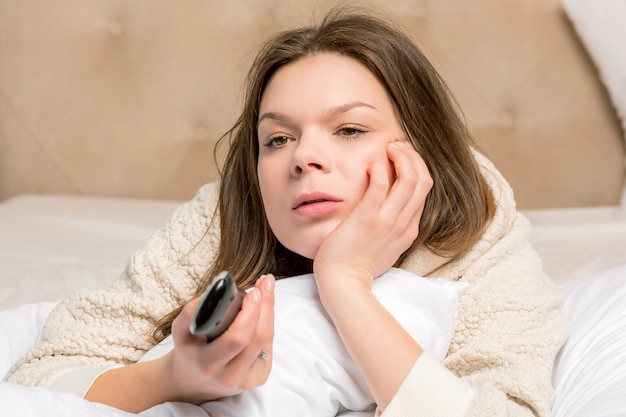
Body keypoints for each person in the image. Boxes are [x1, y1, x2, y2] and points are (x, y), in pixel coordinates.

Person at [4, 8, 568, 417]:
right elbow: (41, 377)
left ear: (420, 147)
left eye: (349, 129)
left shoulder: (481, 231)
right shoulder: (225, 213)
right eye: (277, 139)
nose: (304, 158)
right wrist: (175, 376)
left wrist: (343, 283)